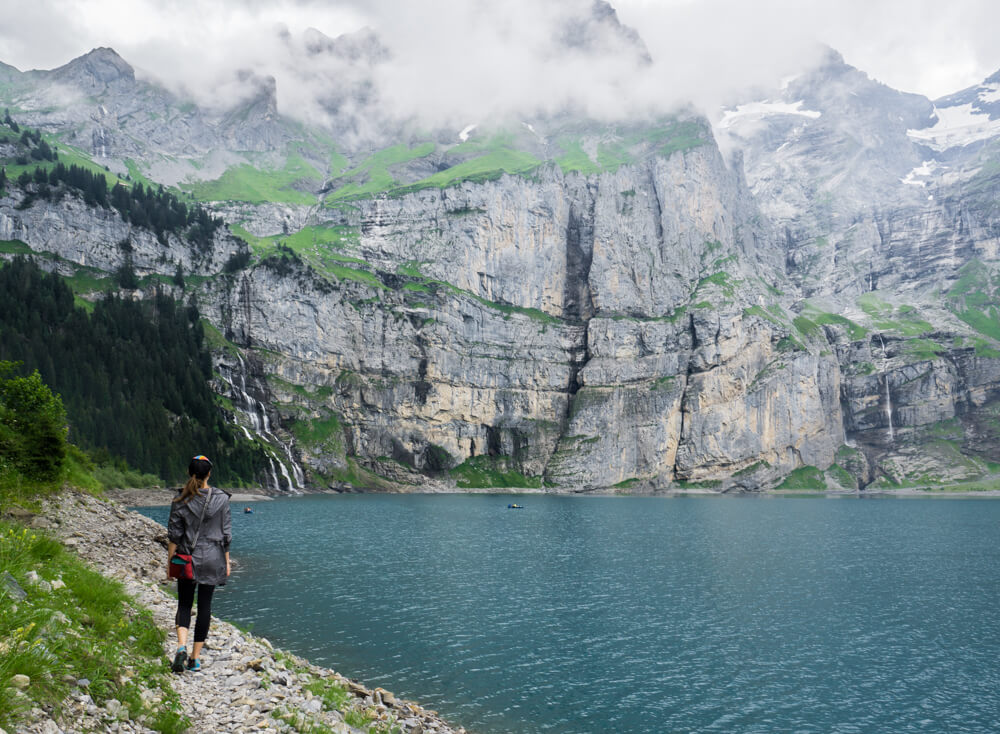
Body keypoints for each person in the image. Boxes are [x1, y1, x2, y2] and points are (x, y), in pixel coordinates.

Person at [166, 454, 232, 672]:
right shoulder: (222, 499)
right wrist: (227, 561)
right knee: (205, 606)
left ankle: (180, 647)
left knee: (184, 604)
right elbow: (226, 534)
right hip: (213, 558)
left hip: (187, 558)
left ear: (189, 473)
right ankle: (194, 658)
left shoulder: (181, 499)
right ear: (209, 474)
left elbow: (174, 536)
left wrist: (170, 563)